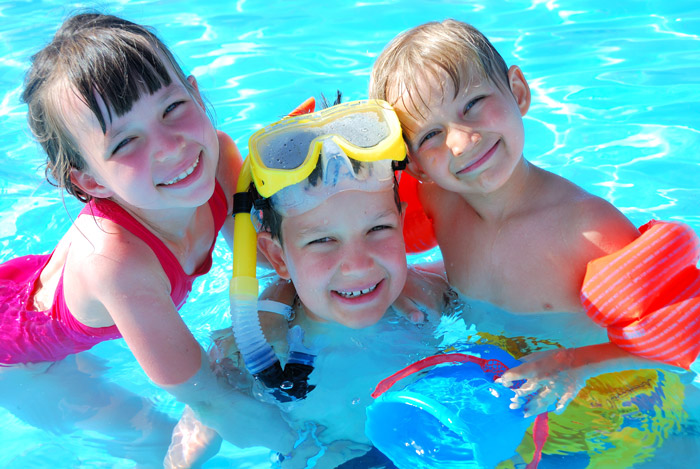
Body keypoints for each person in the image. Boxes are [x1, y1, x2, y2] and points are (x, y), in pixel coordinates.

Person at [0, 11, 299, 459]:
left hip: (41, 293)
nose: (171, 145)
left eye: (172, 108)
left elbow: (261, 258)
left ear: (196, 95)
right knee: (159, 444)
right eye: (125, 143)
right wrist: (312, 446)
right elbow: (207, 397)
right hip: (19, 364)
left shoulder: (215, 160)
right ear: (91, 182)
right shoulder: (119, 267)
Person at [368, 19, 697, 416]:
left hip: (609, 402)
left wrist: (572, 365)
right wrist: (401, 283)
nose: (461, 141)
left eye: (472, 104)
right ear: (416, 166)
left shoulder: (586, 230)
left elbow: (670, 342)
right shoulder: (439, 201)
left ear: (518, 92)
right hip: (503, 395)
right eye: (430, 135)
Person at [165, 98, 452, 468]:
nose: (358, 264)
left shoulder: (428, 295)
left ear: (402, 220)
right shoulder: (261, 347)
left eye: (378, 229)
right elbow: (208, 409)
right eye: (323, 241)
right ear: (278, 257)